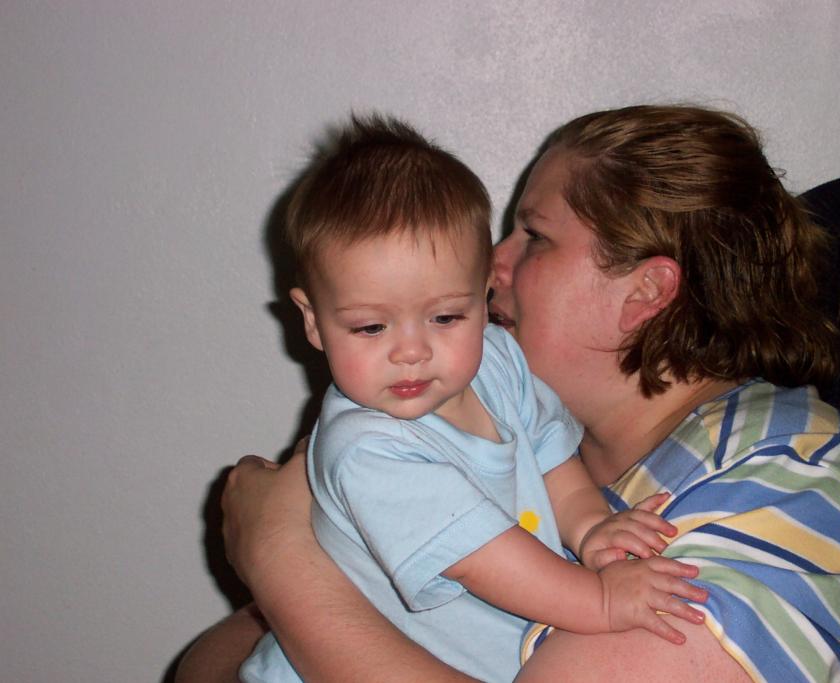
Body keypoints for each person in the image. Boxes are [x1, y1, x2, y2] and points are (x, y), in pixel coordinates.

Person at [177, 105, 840, 682]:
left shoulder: (785, 481)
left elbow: (307, 613)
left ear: (644, 291)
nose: (489, 265)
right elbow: (210, 665)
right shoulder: (519, 450)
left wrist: (280, 557)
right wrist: (295, 582)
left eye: (534, 236)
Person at [238, 115, 707, 683]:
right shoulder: (366, 449)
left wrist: (589, 527)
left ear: (484, 293)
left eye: (445, 317)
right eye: (370, 327)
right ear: (312, 320)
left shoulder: (499, 362)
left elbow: (551, 456)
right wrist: (602, 601)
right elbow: (485, 562)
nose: (411, 352)